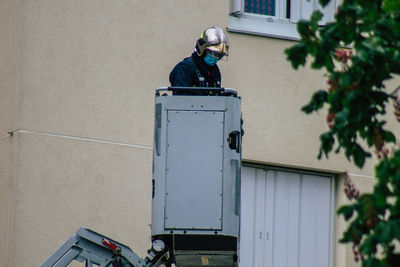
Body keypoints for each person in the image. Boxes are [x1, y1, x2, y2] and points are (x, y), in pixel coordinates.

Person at [169, 26, 229, 93]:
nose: (215, 58)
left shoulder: (214, 71)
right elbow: (181, 98)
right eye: (213, 54)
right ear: (202, 50)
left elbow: (215, 97)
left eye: (219, 55)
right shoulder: (185, 68)